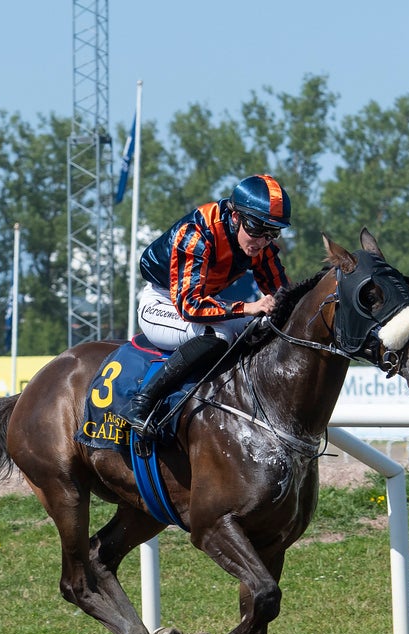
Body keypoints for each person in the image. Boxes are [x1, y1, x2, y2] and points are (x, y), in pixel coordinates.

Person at [122, 174, 292, 440]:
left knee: (264, 326)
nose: (262, 241)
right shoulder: (197, 233)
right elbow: (190, 307)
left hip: (205, 303)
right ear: (235, 216)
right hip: (163, 304)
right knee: (219, 336)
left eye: (272, 232)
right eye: (257, 229)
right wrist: (248, 308)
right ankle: (141, 403)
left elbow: (284, 296)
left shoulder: (261, 245)